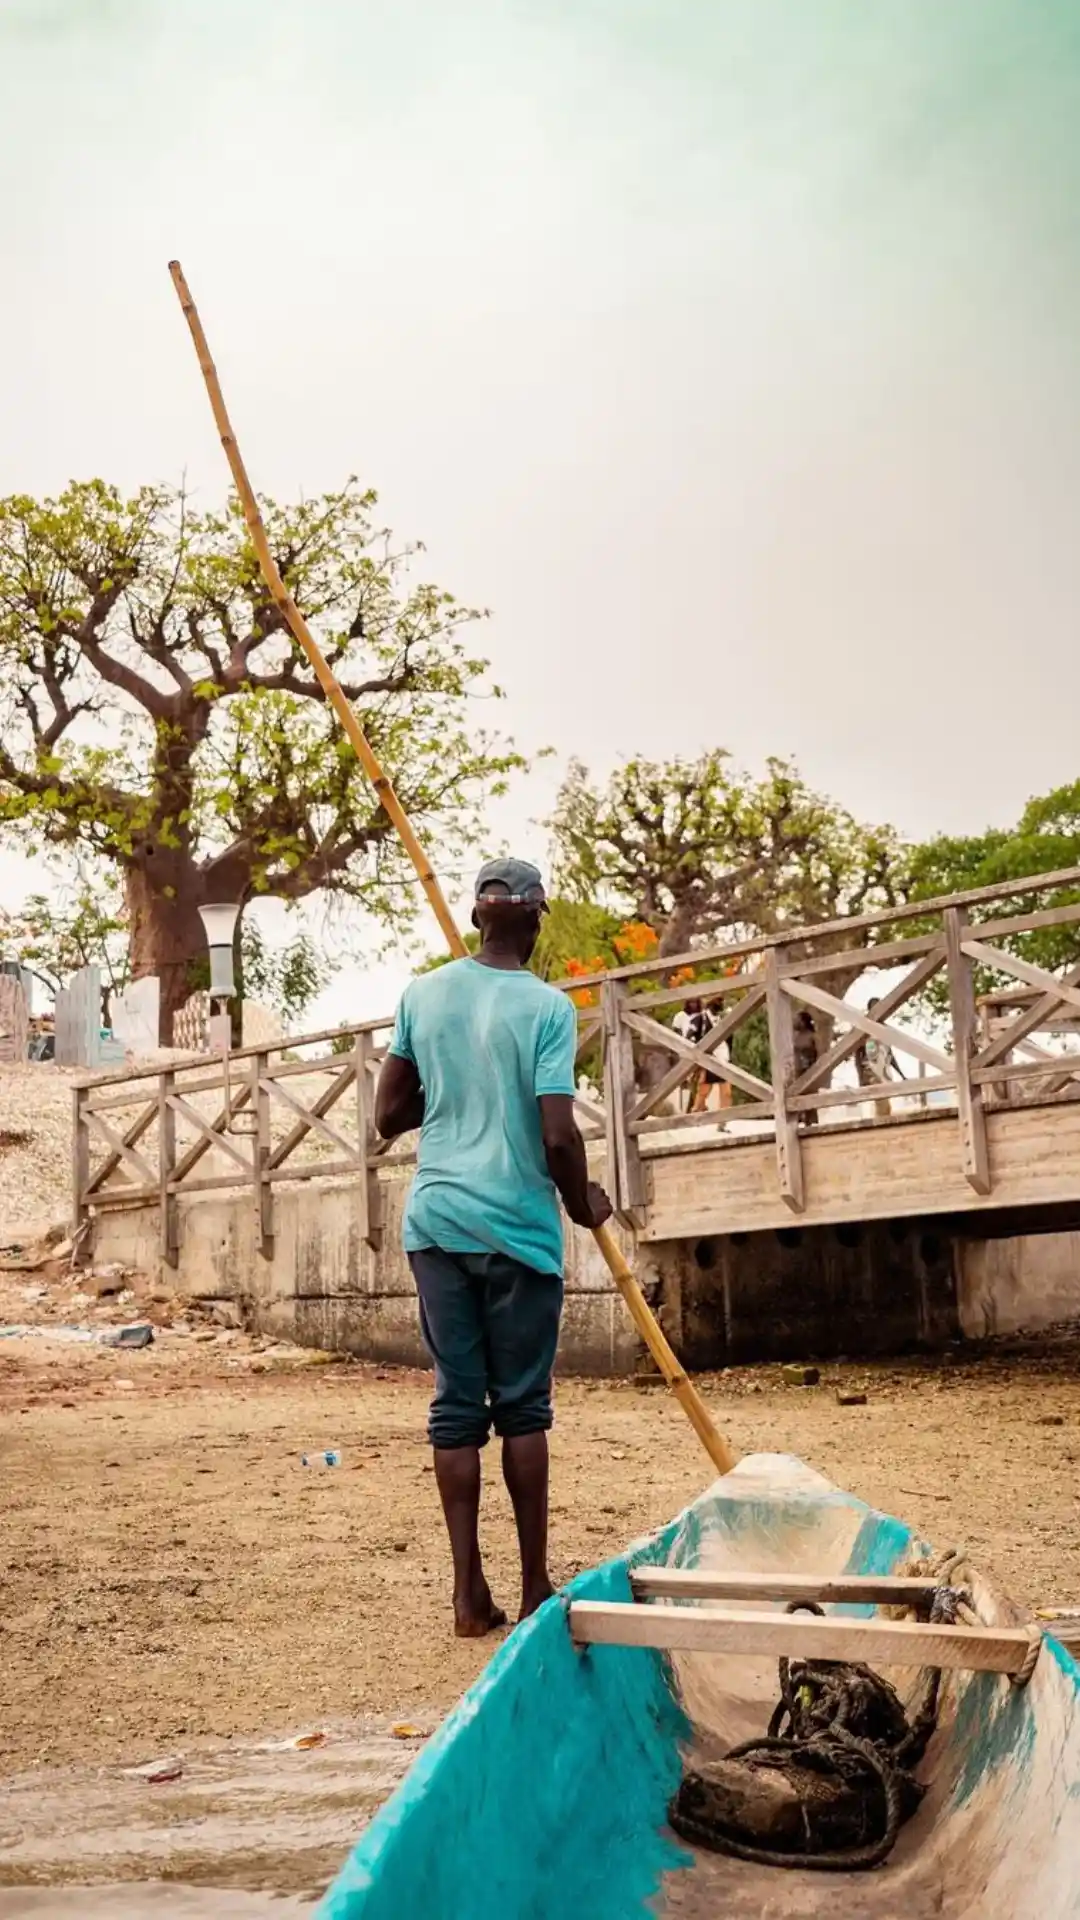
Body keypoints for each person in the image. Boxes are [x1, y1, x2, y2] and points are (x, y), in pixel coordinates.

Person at [375, 858, 612, 1638]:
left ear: (480, 917)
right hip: (517, 1230)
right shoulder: (549, 1008)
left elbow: (389, 1114)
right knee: (523, 1410)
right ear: (537, 920)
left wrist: (454, 1093)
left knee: (455, 1407)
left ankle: (467, 1598)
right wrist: (585, 1205)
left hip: (438, 1222)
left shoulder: (422, 994)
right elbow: (556, 1133)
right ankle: (538, 1584)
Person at [673, 997, 729, 1113]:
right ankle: (695, 1112)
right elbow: (688, 1036)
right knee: (703, 1092)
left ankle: (723, 1122)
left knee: (726, 1093)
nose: (721, 1004)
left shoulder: (722, 1018)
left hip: (724, 1059)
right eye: (718, 1001)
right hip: (707, 1059)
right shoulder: (700, 1019)